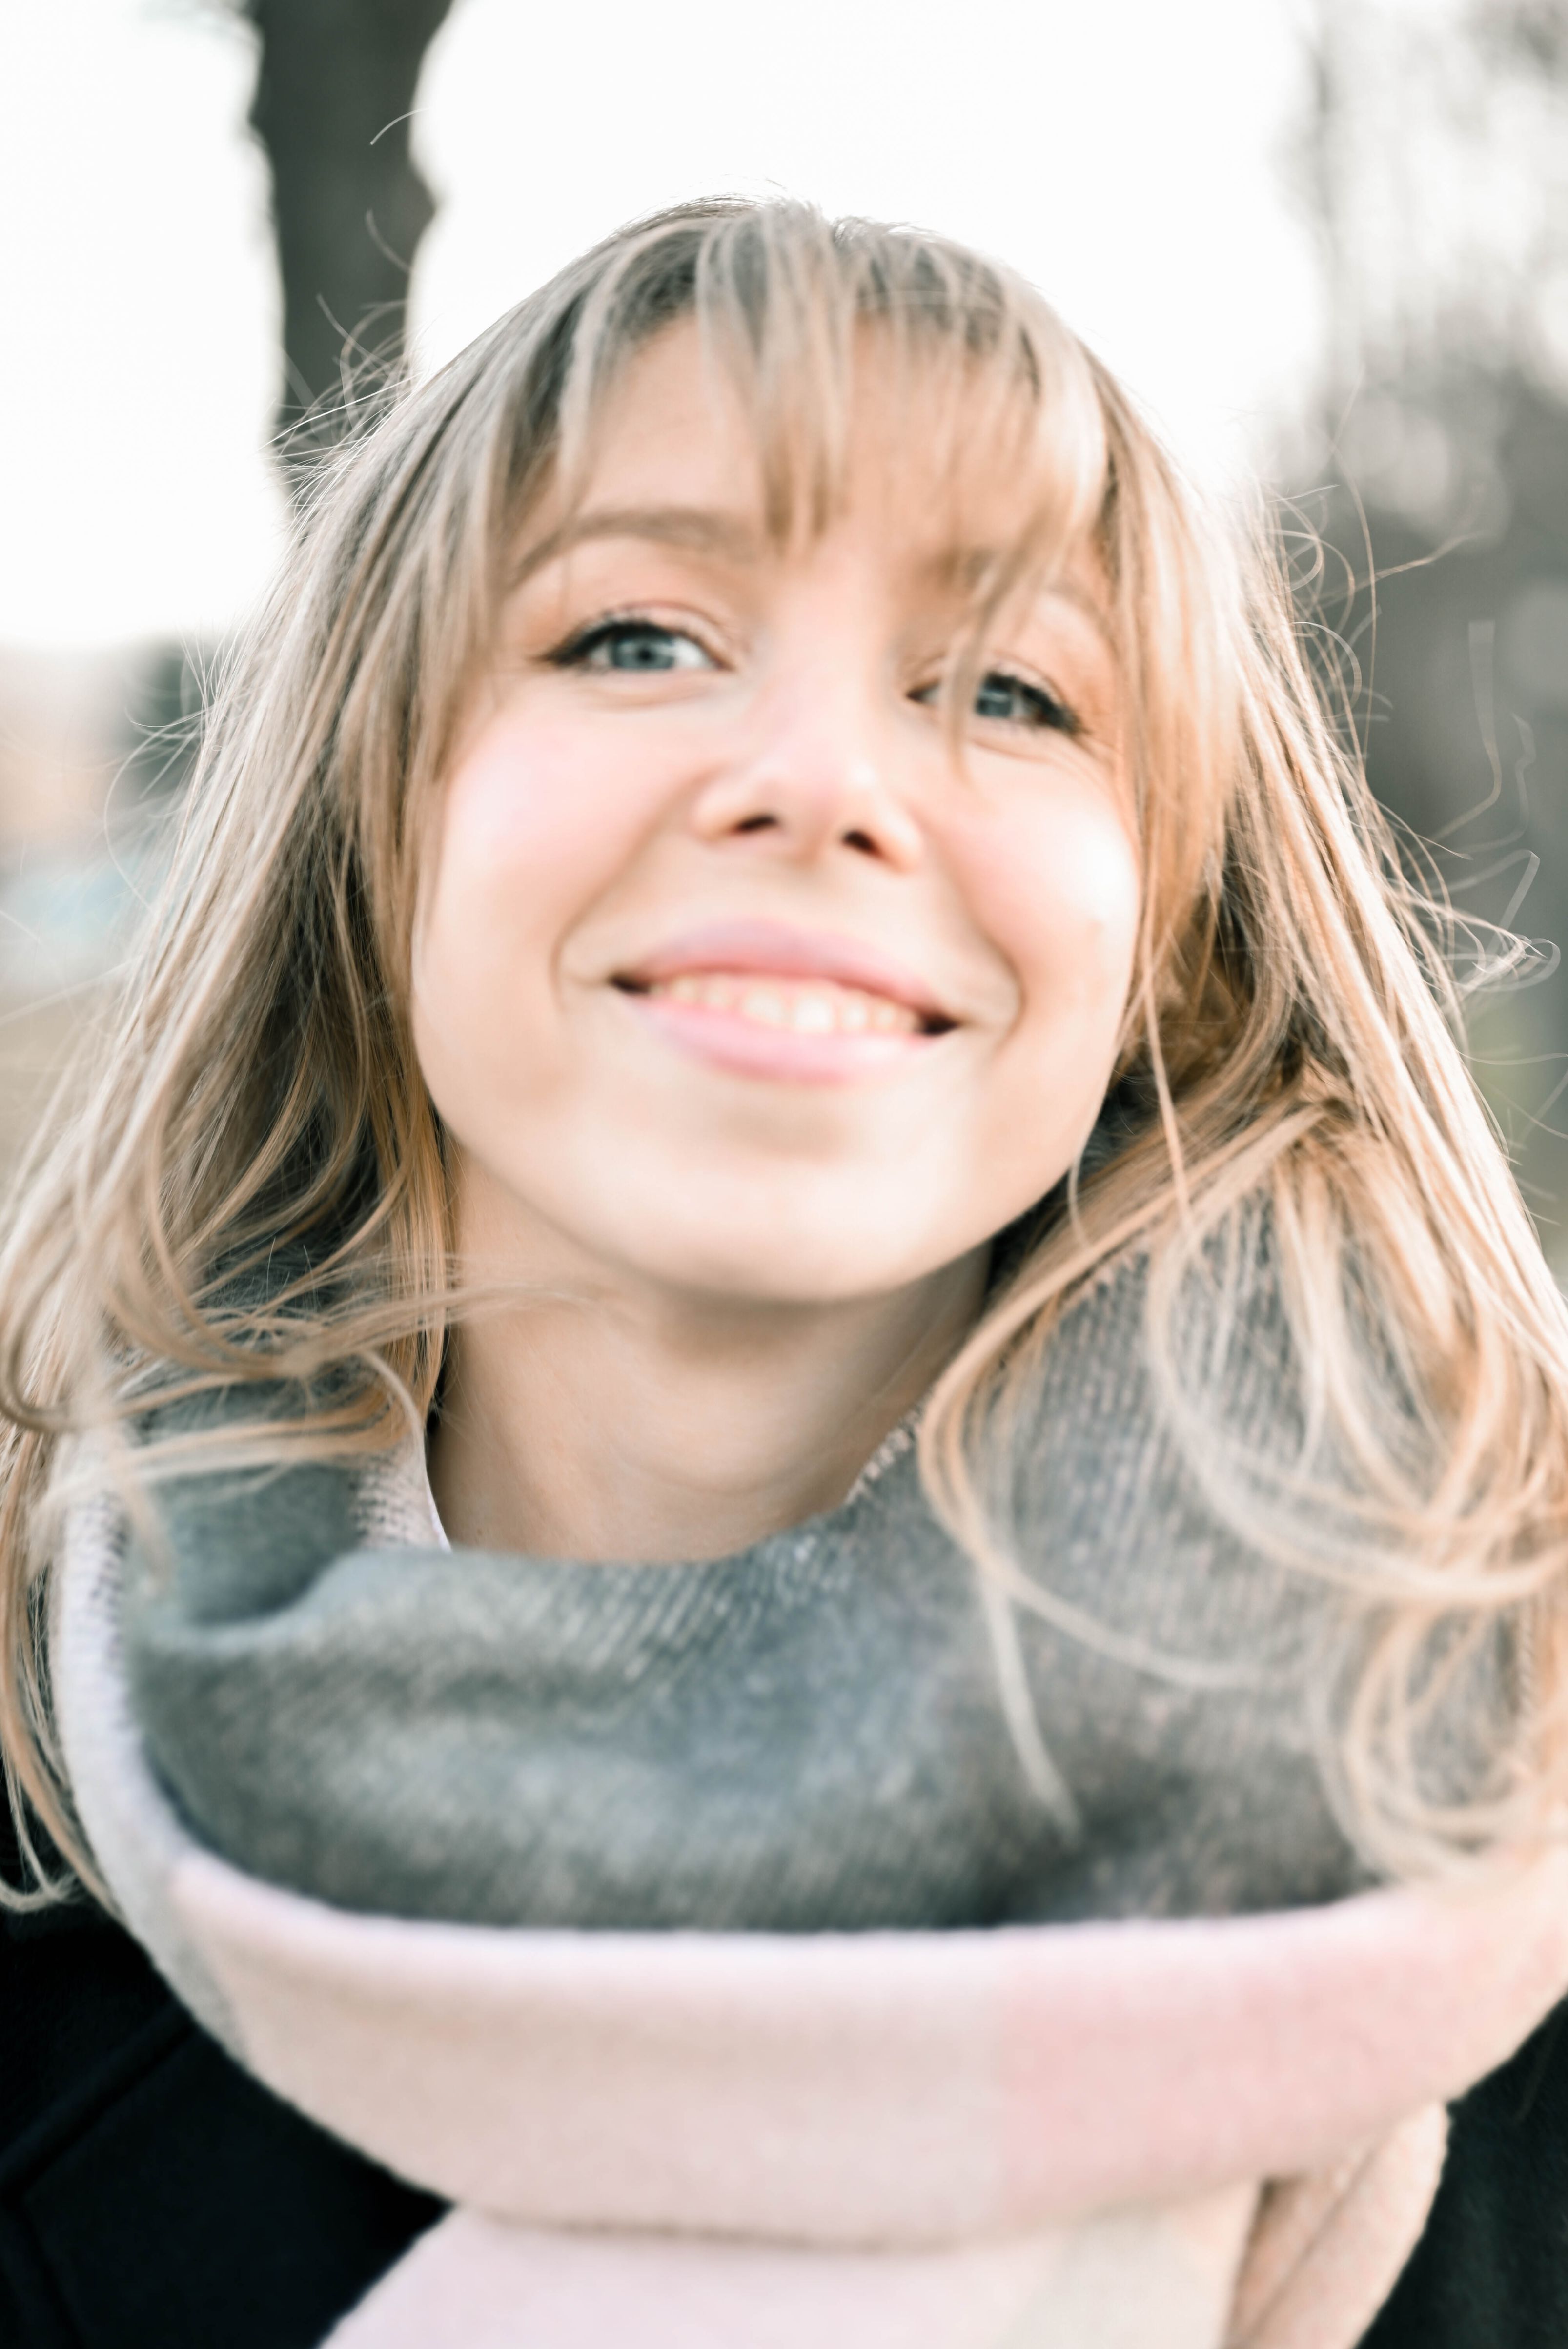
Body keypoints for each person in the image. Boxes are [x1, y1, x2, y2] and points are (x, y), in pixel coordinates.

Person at [1, 197, 1567, 2349]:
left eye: (1012, 689)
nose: (827, 786)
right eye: (636, 637)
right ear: (376, 818)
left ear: (1168, 949)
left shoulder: (1498, 1840)